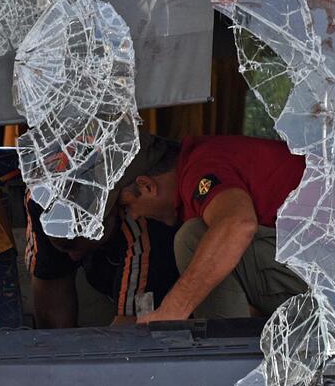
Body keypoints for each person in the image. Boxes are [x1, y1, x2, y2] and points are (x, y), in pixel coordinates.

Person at [118, 134, 309, 323]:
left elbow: (238, 224)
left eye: (128, 206)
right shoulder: (203, 158)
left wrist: (172, 309)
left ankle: (225, 350)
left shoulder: (201, 167)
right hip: (316, 268)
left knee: (193, 237)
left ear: (146, 186)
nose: (133, 216)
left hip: (330, 278)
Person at [25, 136, 182, 328]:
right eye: (66, 248)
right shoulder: (38, 198)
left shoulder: (138, 214)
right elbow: (49, 286)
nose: (74, 258)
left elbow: (132, 325)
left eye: (79, 247)